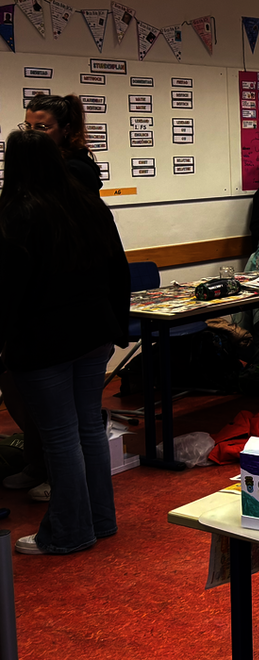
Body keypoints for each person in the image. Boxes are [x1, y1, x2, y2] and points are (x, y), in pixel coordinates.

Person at [0, 129, 128, 555]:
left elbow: (10, 290)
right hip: (94, 333)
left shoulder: (18, 213)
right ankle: (101, 520)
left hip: (44, 341)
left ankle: (68, 532)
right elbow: (118, 268)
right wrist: (119, 326)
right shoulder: (88, 204)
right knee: (88, 427)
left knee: (59, 437)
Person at [23, 94, 101, 193]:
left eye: (41, 127)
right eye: (28, 126)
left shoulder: (75, 169)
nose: (31, 133)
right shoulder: (38, 161)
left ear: (66, 129)